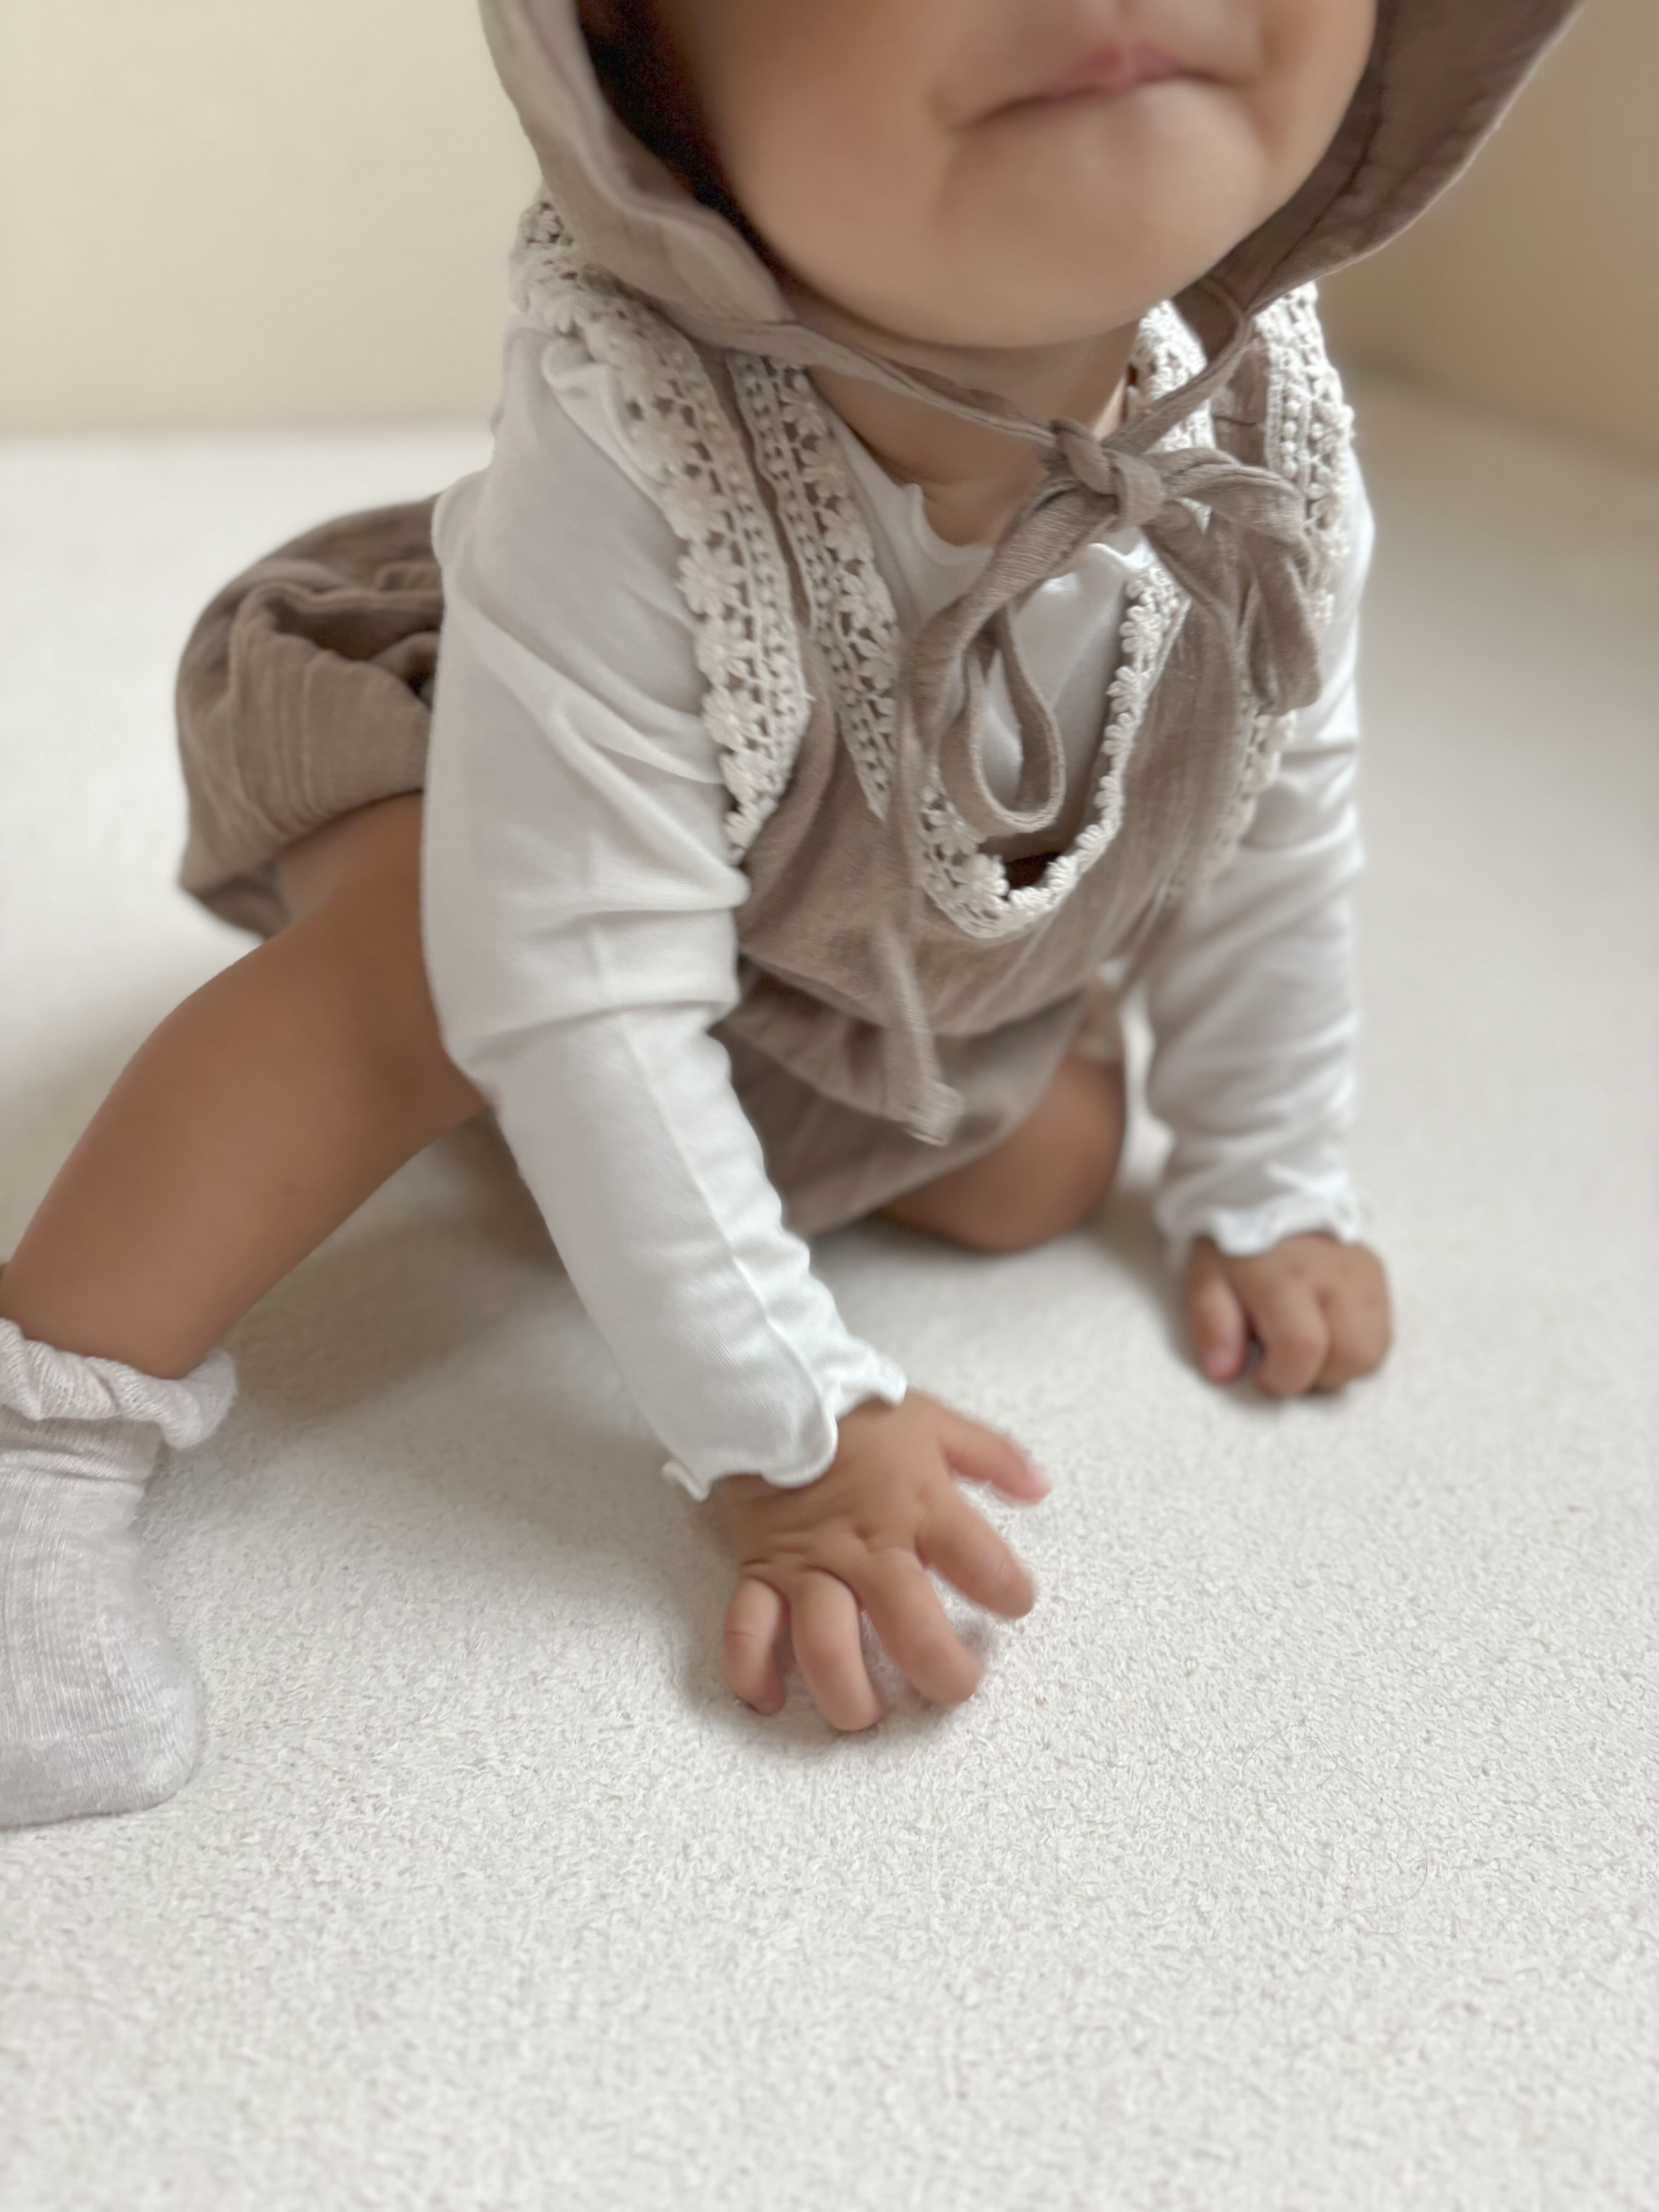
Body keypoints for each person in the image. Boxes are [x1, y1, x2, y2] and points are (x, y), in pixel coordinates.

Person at [0, 0, 1575, 1825]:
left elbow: (1268, 802)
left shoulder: (1263, 428)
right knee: (431, 973)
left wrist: (1268, 1169)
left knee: (1040, 1167)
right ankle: (46, 1419)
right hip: (488, 776)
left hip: (834, 903)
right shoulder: (632, 428)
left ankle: (646, 1135)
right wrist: (795, 1434)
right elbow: (574, 978)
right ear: (638, 64)